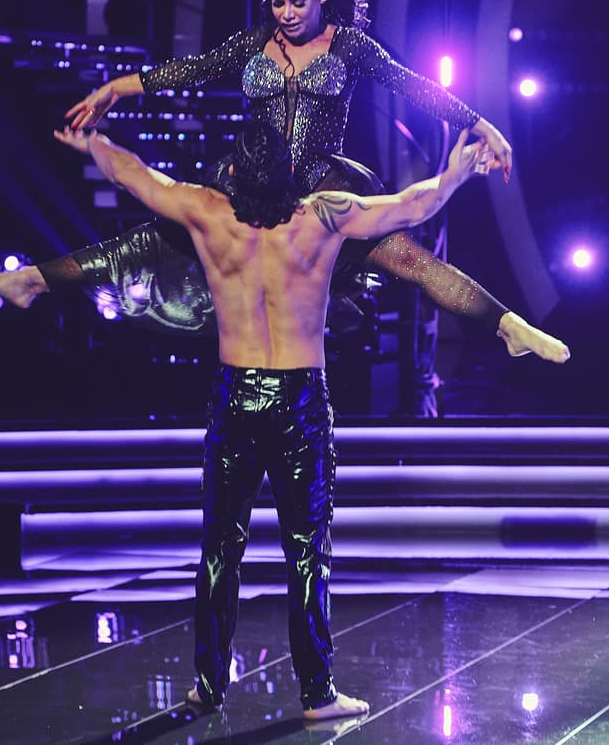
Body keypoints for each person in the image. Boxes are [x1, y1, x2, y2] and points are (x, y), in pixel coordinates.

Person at [53, 119, 492, 719]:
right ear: (290, 172)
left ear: (234, 171)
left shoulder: (208, 211)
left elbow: (133, 175)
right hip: (297, 398)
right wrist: (458, 172)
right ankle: (317, 693)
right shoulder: (323, 215)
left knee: (219, 549)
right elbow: (415, 205)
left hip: (235, 395)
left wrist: (92, 144)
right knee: (307, 551)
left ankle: (209, 685)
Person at [0, 0, 569, 367]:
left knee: (407, 258)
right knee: (148, 240)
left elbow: (414, 86)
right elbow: (192, 69)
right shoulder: (255, 43)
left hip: (323, 188)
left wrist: (479, 123)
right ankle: (32, 281)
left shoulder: (350, 46)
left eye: (297, 2)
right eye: (278, 3)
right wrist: (120, 86)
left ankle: (509, 326)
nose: (287, 14)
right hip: (252, 182)